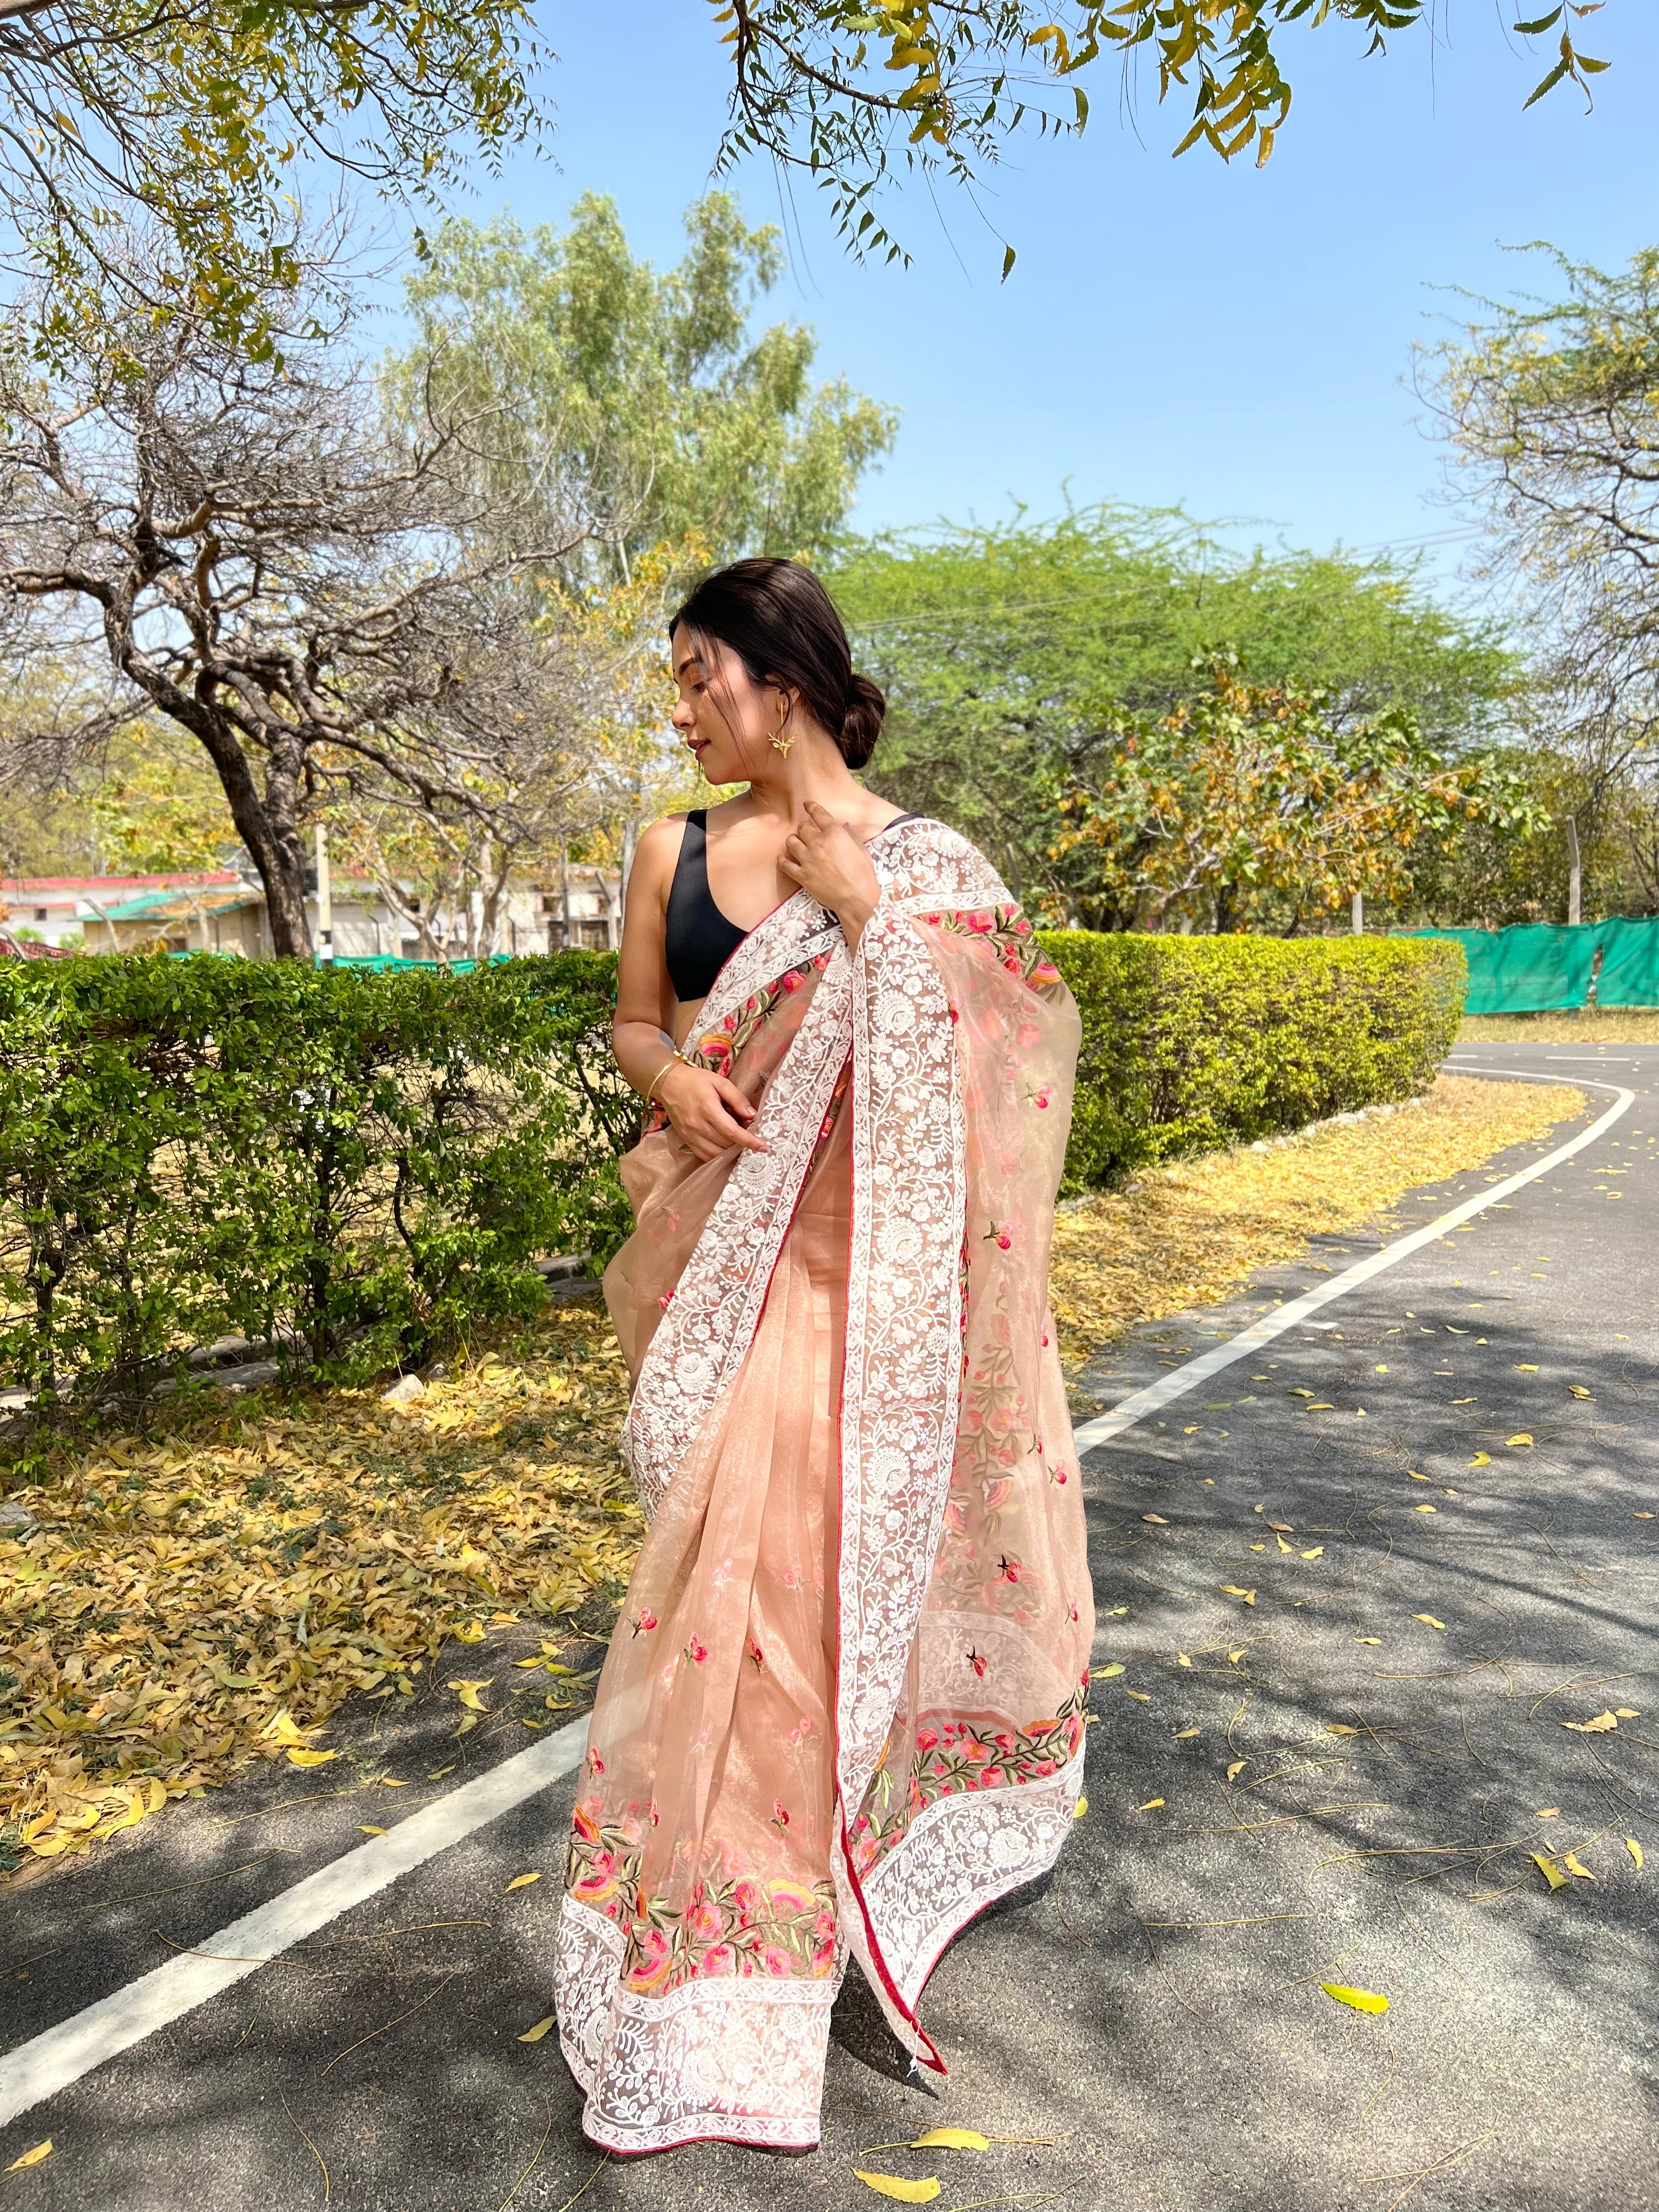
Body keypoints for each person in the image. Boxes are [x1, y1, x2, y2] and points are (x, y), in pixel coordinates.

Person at [552, 557, 1093, 2154]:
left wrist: (874, 929)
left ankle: (791, 1894)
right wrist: (670, 1089)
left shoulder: (921, 863)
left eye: (700, 675)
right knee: (735, 1586)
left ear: (782, 684)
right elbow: (642, 1023)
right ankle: (739, 1924)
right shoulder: (672, 845)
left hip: (881, 1288)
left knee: (806, 1589)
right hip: (737, 1258)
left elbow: (1021, 1050)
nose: (681, 705)